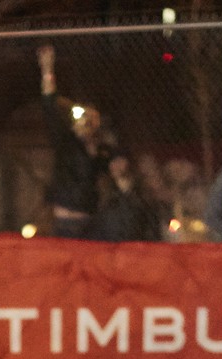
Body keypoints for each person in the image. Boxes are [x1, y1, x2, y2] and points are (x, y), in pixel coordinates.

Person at [36, 44, 112, 238]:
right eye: (83, 118)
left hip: (90, 221)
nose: (86, 122)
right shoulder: (66, 142)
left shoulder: (102, 150)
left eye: (91, 119)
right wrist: (47, 70)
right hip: (65, 221)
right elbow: (49, 104)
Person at [89, 152, 162, 241]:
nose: (116, 165)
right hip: (108, 245)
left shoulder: (142, 192)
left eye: (120, 161)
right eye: (113, 162)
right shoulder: (103, 191)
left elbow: (151, 222)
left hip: (135, 246)